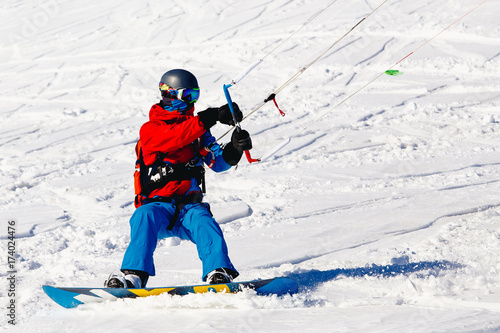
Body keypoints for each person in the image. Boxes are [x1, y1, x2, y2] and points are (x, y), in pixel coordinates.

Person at [105, 69, 252, 288]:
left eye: (195, 96)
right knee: (143, 216)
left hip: (188, 208)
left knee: (204, 221)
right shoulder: (151, 130)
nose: (191, 102)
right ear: (169, 94)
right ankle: (133, 275)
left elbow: (217, 162)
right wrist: (211, 116)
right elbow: (175, 137)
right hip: (158, 207)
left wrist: (234, 149)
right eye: (188, 96)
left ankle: (218, 272)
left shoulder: (198, 133)